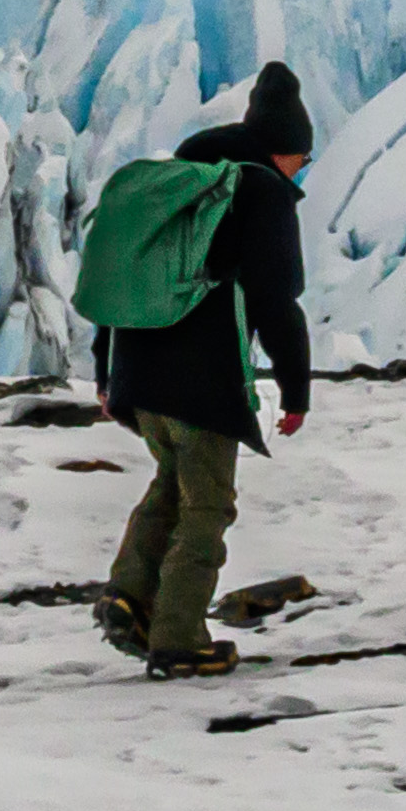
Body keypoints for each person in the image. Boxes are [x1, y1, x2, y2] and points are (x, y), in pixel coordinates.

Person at [94, 60, 315, 682]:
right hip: (202, 380)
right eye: (303, 160)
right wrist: (295, 388)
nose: (302, 173)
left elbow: (118, 278)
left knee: (173, 483)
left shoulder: (173, 183)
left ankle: (128, 596)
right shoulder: (261, 191)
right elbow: (277, 300)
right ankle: (178, 636)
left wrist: (106, 374)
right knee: (207, 507)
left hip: (138, 370)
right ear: (285, 151)